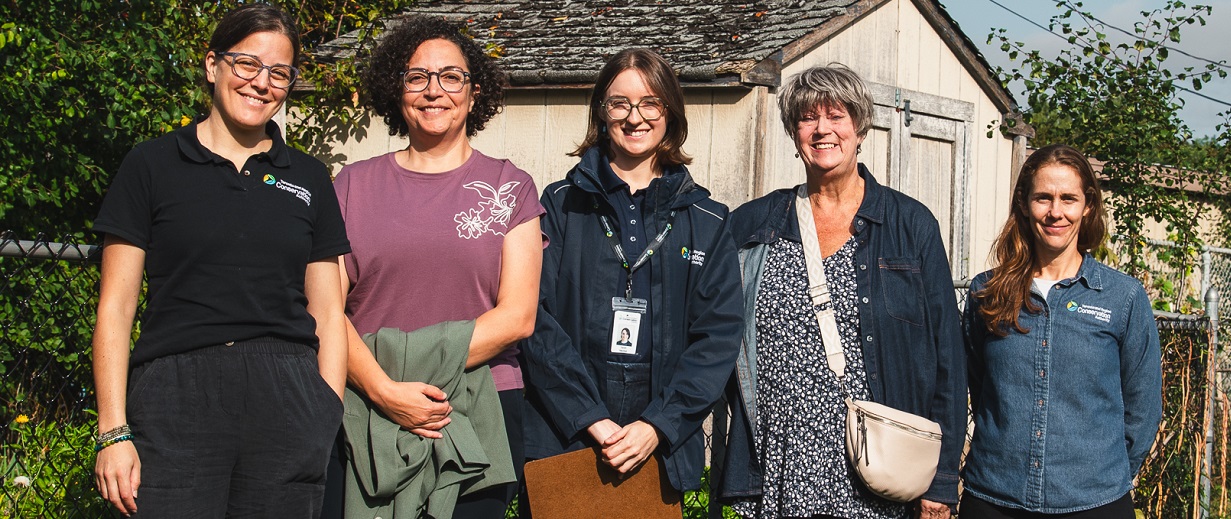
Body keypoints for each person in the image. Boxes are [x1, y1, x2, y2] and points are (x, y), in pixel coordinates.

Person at [91, 4, 349, 517]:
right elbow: (116, 309)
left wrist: (325, 410)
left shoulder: (311, 178)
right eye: (247, 64)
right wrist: (112, 431)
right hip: (174, 396)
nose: (262, 83)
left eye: (280, 73)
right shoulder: (151, 164)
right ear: (213, 65)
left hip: (288, 397)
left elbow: (328, 310)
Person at [720, 64, 965, 519]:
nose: (822, 129)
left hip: (876, 466)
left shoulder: (910, 226)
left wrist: (942, 480)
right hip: (779, 462)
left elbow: (947, 358)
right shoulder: (753, 224)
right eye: (807, 118)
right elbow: (714, 333)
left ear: (860, 127)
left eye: (836, 115)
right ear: (795, 135)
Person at [325, 15, 543, 518]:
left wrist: (407, 375)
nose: (433, 91)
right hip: (366, 402)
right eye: (416, 76)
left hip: (477, 404)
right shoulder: (351, 186)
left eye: (451, 76)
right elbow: (324, 308)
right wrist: (385, 389)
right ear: (396, 89)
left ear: (474, 91)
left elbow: (517, 317)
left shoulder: (511, 188)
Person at [521, 47, 743, 509]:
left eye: (650, 103)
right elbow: (533, 320)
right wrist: (591, 418)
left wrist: (657, 425)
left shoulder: (707, 220)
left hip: (657, 451)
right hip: (567, 437)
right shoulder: (561, 206)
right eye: (619, 103)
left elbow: (717, 338)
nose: (635, 117)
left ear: (669, 112)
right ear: (601, 113)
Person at [961, 144, 1162, 518]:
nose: (1056, 212)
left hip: (1094, 502)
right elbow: (976, 384)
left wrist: (1104, 477)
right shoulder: (986, 292)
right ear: (1024, 204)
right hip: (995, 498)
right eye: (1043, 198)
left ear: (1088, 206)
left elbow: (1143, 408)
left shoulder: (1123, 297)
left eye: (1068, 199)